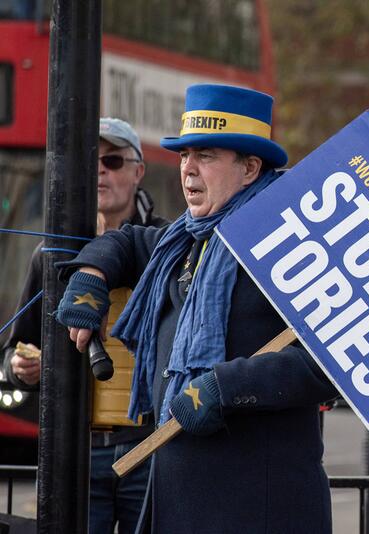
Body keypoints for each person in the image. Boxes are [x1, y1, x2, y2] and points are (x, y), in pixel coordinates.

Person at [54, 84, 336, 534]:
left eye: (205, 155)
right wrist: (92, 273)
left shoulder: (296, 244)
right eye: (184, 155)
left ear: (249, 168)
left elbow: (332, 359)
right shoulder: (185, 238)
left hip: (257, 509)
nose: (187, 169)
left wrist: (226, 387)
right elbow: (126, 241)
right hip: (178, 505)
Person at [0, 117, 165, 534]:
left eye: (112, 160)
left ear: (138, 171)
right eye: (92, 161)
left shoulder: (167, 246)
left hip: (149, 446)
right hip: (74, 449)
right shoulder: (51, 253)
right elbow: (13, 351)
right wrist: (23, 370)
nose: (101, 172)